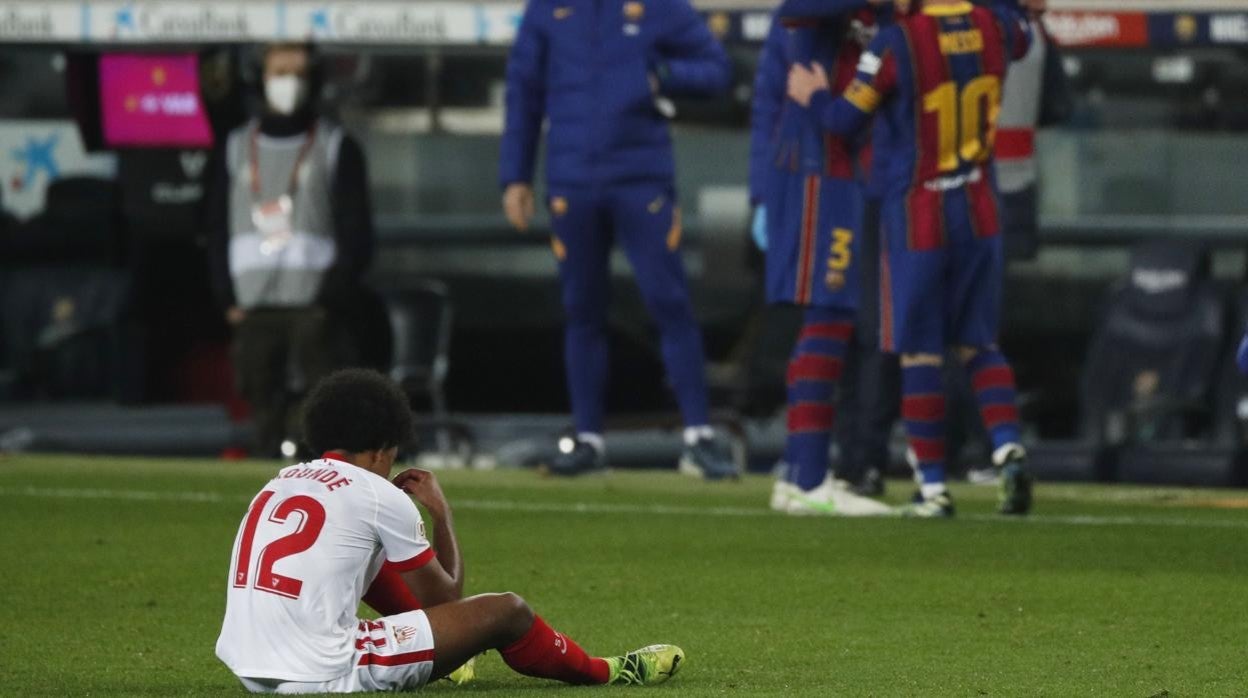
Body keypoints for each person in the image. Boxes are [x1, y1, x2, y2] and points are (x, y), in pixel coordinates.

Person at [216, 368, 684, 693]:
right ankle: (607, 672)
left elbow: (366, 571)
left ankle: (441, 661)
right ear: (382, 449)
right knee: (506, 611)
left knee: (368, 555)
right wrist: (442, 514)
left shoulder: (280, 482)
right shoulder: (381, 494)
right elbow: (447, 600)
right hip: (324, 671)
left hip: (250, 668)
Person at [786, 0, 1034, 516]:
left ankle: (933, 487)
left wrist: (812, 97)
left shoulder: (896, 42)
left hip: (920, 212)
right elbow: (1026, 34)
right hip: (981, 209)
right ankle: (1008, 445)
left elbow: (845, 119)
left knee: (919, 351)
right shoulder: (997, 25)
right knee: (980, 344)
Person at [499, 0, 738, 479]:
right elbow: (523, 89)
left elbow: (717, 69)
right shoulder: (548, 8)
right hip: (572, 181)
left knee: (670, 303)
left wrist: (662, 76)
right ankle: (588, 440)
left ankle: (699, 437)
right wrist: (515, 176)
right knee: (582, 310)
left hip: (641, 178)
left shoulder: (659, 6)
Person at [750, 0, 892, 516]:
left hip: (849, 171)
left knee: (835, 315)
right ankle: (808, 479)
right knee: (829, 314)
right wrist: (760, 193)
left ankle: (797, 472)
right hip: (819, 171)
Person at [207, 42, 374, 459]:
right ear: (260, 78)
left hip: (314, 304)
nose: (289, 83)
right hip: (253, 303)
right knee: (259, 394)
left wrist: (332, 297)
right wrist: (226, 296)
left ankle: (316, 477)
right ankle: (268, 481)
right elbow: (213, 226)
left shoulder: (336, 145)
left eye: (298, 72)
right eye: (279, 71)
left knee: (321, 402)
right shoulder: (233, 147)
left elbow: (357, 230)